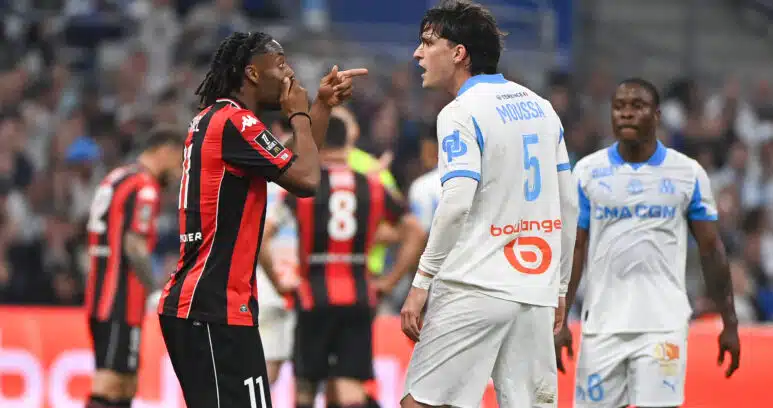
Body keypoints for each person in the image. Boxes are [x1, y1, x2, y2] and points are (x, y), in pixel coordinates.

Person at [156, 31, 367, 408]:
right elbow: (306, 181)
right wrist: (299, 113)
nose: (290, 73)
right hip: (213, 307)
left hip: (209, 305)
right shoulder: (235, 122)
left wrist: (320, 105)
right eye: (281, 63)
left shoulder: (221, 120)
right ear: (253, 73)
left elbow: (298, 161)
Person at [400, 1, 578, 407]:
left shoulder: (460, 112)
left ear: (458, 52)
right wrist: (561, 286)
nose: (417, 53)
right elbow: (569, 205)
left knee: (421, 403)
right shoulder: (543, 109)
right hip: (534, 290)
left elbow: (458, 202)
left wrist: (421, 282)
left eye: (428, 43)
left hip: (474, 285)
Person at [556, 78, 741, 408]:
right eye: (619, 107)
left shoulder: (688, 173)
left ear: (657, 115)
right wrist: (560, 319)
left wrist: (729, 322)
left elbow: (712, 250)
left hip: (662, 325)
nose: (626, 114)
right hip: (602, 326)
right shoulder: (587, 171)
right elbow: (575, 248)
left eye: (637, 106)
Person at [260, 115, 426, 408]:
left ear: (318, 145)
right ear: (347, 145)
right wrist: (390, 279)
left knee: (306, 388)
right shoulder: (371, 185)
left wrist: (279, 282)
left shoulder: (304, 189)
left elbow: (263, 237)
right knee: (350, 388)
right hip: (359, 295)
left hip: (313, 294)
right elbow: (414, 229)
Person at [83, 126, 184, 408]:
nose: (177, 174)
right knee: (110, 381)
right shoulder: (145, 187)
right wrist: (153, 289)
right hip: (120, 299)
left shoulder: (117, 177)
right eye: (178, 163)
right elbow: (134, 244)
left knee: (126, 384)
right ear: (165, 151)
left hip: (101, 293)